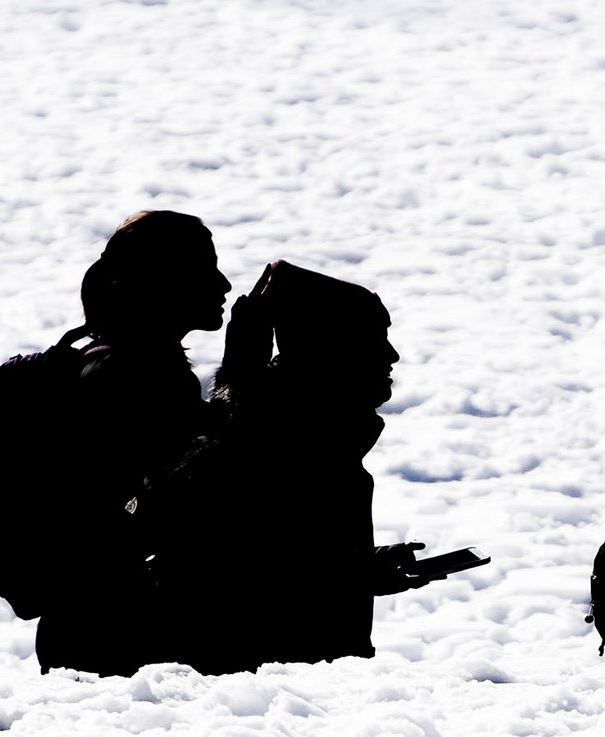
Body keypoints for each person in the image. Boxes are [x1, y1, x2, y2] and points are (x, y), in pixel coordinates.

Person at [143, 261, 428, 672]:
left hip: (296, 694)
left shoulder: (305, 435)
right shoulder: (270, 444)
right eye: (372, 340)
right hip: (262, 702)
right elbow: (240, 584)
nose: (391, 355)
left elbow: (291, 558)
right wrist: (357, 573)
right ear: (329, 351)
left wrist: (366, 565)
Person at [31, 210, 231, 675]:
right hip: (123, 628)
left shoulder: (111, 361)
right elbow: (198, 489)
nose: (222, 284)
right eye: (205, 268)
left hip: (84, 620)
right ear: (162, 281)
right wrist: (242, 370)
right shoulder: (141, 375)